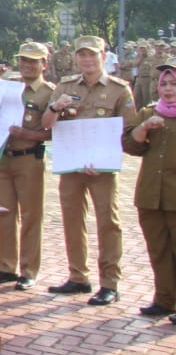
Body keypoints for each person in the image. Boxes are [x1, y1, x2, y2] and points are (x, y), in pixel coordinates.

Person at [43, 35, 136, 306]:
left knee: (108, 222)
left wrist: (105, 157)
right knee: (72, 220)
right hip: (72, 165)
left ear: (103, 57)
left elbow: (127, 132)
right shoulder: (65, 86)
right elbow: (46, 124)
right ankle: (78, 276)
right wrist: (55, 107)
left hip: (102, 169)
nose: (87, 59)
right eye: (82, 54)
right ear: (76, 58)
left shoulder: (120, 90)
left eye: (92, 54)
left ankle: (110, 283)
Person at [0, 42, 55, 291]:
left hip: (29, 158)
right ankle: (7, 266)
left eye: (33, 60)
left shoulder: (48, 92)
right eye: (23, 60)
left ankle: (29, 269)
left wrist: (28, 134)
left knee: (31, 215)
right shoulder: (9, 87)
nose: (27, 65)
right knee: (5, 214)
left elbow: (53, 131)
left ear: (44, 64)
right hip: (4, 157)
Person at [123, 59, 176, 320]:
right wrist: (144, 128)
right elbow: (130, 146)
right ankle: (165, 300)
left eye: (173, 84)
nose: (168, 89)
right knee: (158, 249)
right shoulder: (149, 112)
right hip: (150, 195)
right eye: (164, 83)